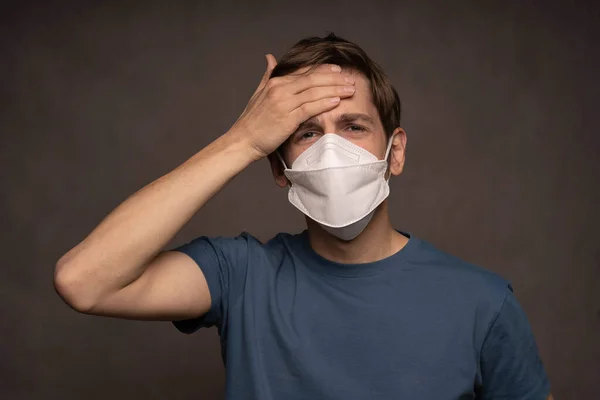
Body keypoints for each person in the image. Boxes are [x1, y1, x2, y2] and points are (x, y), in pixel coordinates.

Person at [54, 33, 553, 400]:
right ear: (280, 167)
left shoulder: (482, 303)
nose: (332, 149)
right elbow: (85, 281)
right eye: (307, 133)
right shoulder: (243, 277)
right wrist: (242, 140)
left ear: (394, 153)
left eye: (354, 126)